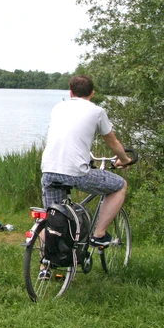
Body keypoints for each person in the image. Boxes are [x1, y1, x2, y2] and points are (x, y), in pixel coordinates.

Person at [41, 75, 131, 258]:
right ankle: (98, 235)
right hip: (75, 173)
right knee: (120, 185)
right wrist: (124, 159)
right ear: (92, 93)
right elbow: (112, 142)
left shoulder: (58, 107)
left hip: (48, 170)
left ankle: (45, 267)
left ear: (71, 92)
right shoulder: (97, 111)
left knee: (51, 219)